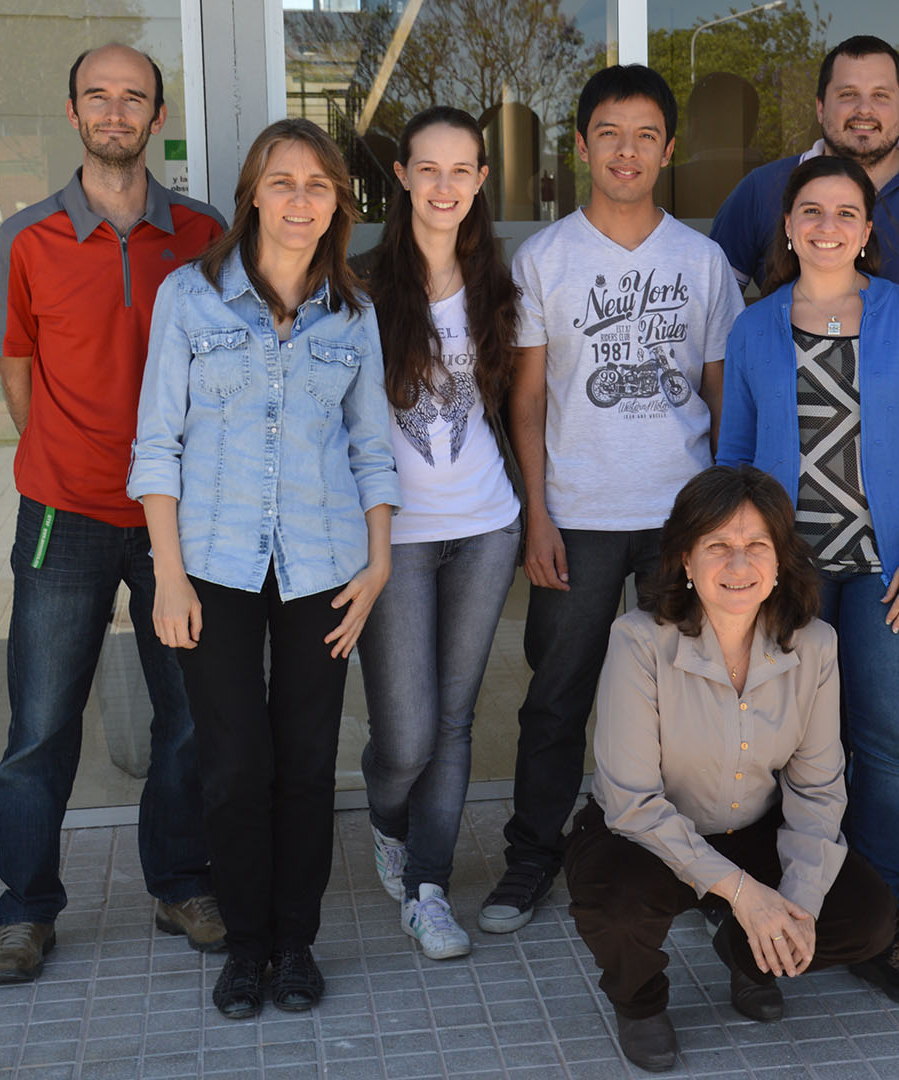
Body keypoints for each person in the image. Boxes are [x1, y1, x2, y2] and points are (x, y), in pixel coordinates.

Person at [128, 118, 399, 1020]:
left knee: (308, 765)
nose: (298, 201)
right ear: (252, 193)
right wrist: (168, 576)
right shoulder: (188, 298)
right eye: (282, 182)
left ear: (338, 206)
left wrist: (379, 563)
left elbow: (372, 448)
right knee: (235, 763)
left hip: (324, 566)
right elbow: (156, 444)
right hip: (212, 566)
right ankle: (244, 946)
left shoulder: (354, 317)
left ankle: (295, 944)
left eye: (318, 186)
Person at [0, 43, 225, 986]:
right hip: (63, 513)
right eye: (99, 97)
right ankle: (25, 912)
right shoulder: (28, 236)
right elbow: (16, 368)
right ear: (74, 111)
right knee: (40, 726)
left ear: (158, 118)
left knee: (191, 715)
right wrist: (72, 458)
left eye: (134, 99)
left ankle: (181, 884)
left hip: (183, 517)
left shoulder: (204, 232)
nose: (116, 113)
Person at [488, 64, 745, 936]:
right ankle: (532, 855)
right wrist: (538, 514)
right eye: (609, 133)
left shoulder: (701, 260)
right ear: (583, 145)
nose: (626, 151)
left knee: (688, 699)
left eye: (644, 135)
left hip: (682, 523)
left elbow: (721, 397)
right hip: (580, 515)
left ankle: (692, 862)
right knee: (558, 692)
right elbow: (525, 400)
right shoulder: (545, 259)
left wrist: (725, 525)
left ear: (668, 150)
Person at [717, 154, 899, 1004]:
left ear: (867, 229)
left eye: (845, 212)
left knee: (888, 748)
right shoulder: (753, 328)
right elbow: (737, 460)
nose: (827, 226)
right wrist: (741, 570)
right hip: (788, 580)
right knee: (780, 752)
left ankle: (881, 921)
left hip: (892, 572)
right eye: (810, 211)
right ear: (788, 228)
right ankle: (773, 918)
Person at [566, 466, 895, 1073]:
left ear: (779, 563)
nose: (738, 564)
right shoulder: (639, 641)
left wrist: (788, 905)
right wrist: (745, 894)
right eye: (717, 546)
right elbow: (632, 801)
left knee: (866, 920)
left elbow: (818, 789)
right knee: (615, 906)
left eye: (756, 547)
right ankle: (639, 1004)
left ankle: (747, 956)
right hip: (647, 835)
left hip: (755, 830)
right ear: (685, 561)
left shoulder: (815, 645)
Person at [352, 106, 522, 961]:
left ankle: (429, 888)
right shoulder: (358, 288)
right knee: (407, 735)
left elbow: (509, 411)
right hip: (396, 538)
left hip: (487, 527)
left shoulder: (498, 286)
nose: (445, 185)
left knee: (454, 721)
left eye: (462, 170)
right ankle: (385, 812)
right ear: (404, 178)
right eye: (429, 168)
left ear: (481, 181)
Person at [710, 35, 899, 398]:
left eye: (880, 96)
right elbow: (713, 320)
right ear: (821, 107)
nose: (864, 110)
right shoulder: (761, 191)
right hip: (785, 430)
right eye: (848, 94)